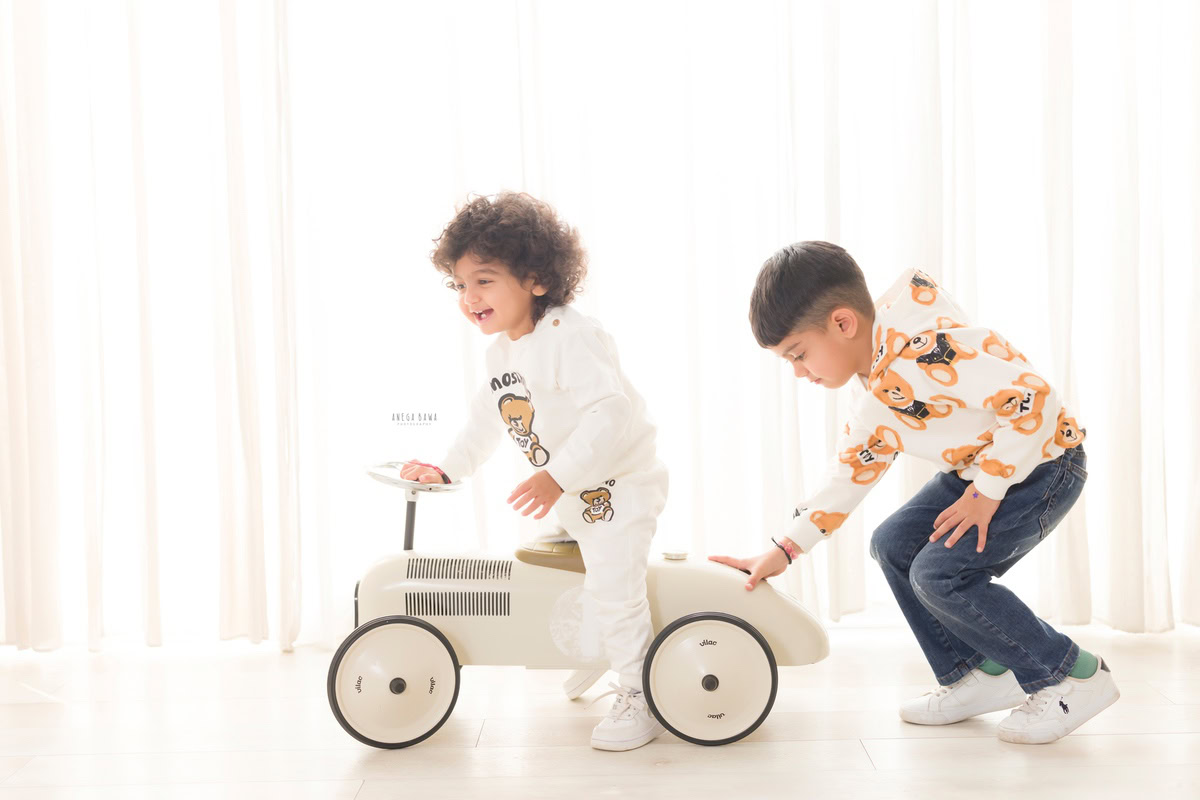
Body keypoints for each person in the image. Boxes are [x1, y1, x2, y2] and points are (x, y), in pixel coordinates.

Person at [710, 241, 1117, 745]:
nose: (798, 371)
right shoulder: (874, 384)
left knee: (940, 573)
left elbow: (1035, 397)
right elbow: (851, 472)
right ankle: (977, 675)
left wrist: (988, 489)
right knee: (893, 545)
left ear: (842, 323)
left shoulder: (927, 349)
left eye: (798, 354)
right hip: (980, 470)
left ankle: (1072, 675)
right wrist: (785, 548)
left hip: (1044, 463)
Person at [400, 192, 669, 751]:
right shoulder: (503, 354)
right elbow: (485, 420)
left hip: (623, 484)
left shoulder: (571, 336)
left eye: (484, 280)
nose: (469, 297)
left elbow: (610, 411)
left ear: (536, 279)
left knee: (616, 583)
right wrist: (447, 470)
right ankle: (604, 647)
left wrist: (558, 476)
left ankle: (641, 692)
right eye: (459, 285)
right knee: (562, 575)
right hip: (579, 494)